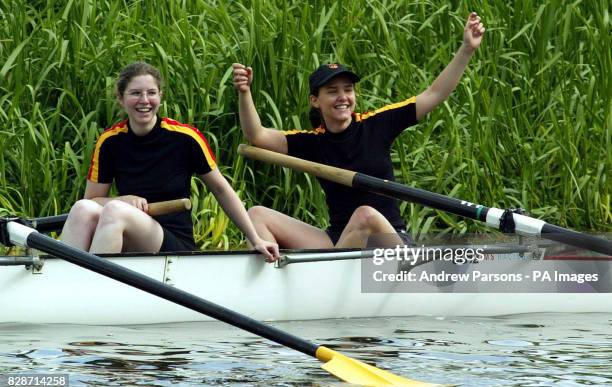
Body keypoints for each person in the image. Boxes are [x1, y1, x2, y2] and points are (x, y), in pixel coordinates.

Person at [232, 13, 485, 249]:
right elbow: (257, 136)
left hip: (388, 240)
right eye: (332, 91)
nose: (343, 97)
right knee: (257, 216)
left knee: (364, 215)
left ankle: (331, 284)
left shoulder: (377, 124)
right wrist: (245, 92)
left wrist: (466, 50)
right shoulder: (312, 143)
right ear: (315, 101)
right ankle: (280, 289)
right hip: (340, 240)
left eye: (348, 89)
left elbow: (434, 94)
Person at [61, 61, 279, 261]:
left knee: (115, 212)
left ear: (160, 96)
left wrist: (255, 238)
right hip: (127, 231)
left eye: (151, 93)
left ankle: (89, 286)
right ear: (121, 98)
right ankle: (63, 283)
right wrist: (124, 200)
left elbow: (222, 190)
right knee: (82, 209)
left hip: (174, 243)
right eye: (136, 93)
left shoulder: (185, 137)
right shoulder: (109, 142)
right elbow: (92, 201)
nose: (144, 101)